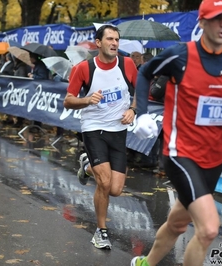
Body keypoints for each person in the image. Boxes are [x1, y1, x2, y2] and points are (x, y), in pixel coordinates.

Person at [130, 1, 222, 266]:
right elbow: (144, 72)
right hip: (180, 153)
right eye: (216, 18)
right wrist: (141, 113)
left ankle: (145, 263)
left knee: (178, 222)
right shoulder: (181, 56)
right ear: (202, 22)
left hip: (214, 159)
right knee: (209, 228)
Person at [63, 24, 138, 250]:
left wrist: (133, 110)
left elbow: (140, 92)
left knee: (115, 190)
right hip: (94, 128)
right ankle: (101, 232)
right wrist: (87, 100)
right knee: (104, 183)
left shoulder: (128, 64)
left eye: (117, 40)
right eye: (110, 39)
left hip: (118, 131)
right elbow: (68, 100)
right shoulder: (84, 68)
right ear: (98, 43)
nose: (114, 43)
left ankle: (87, 167)